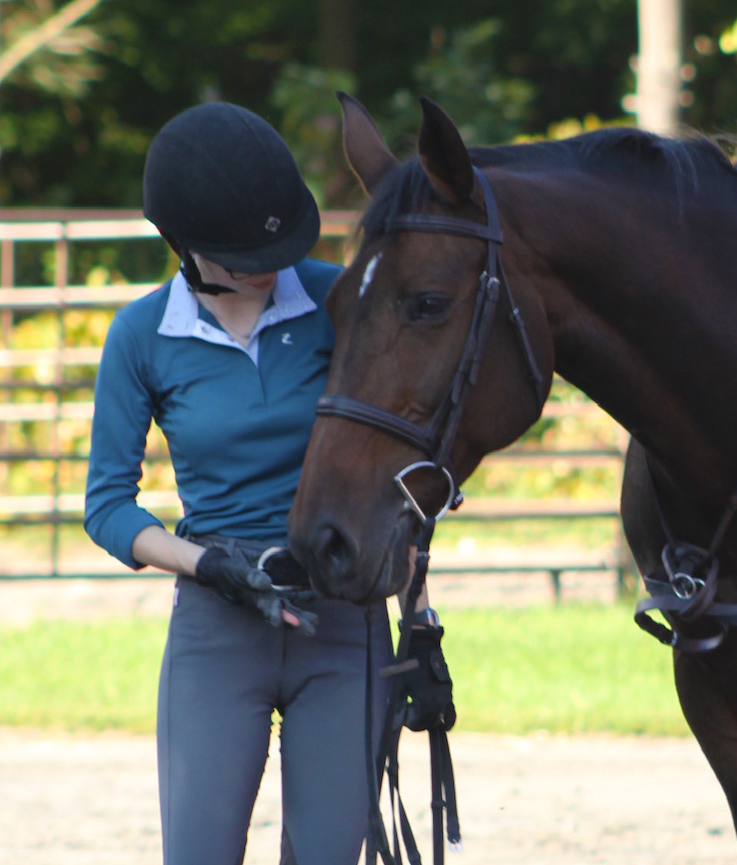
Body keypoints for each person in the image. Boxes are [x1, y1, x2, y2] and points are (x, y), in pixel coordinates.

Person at [83, 100, 453, 865]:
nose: (271, 262)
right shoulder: (142, 337)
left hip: (344, 620)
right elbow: (107, 505)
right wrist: (209, 563)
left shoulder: (341, 300)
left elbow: (405, 469)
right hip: (218, 625)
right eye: (242, 253)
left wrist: (420, 624)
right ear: (182, 245)